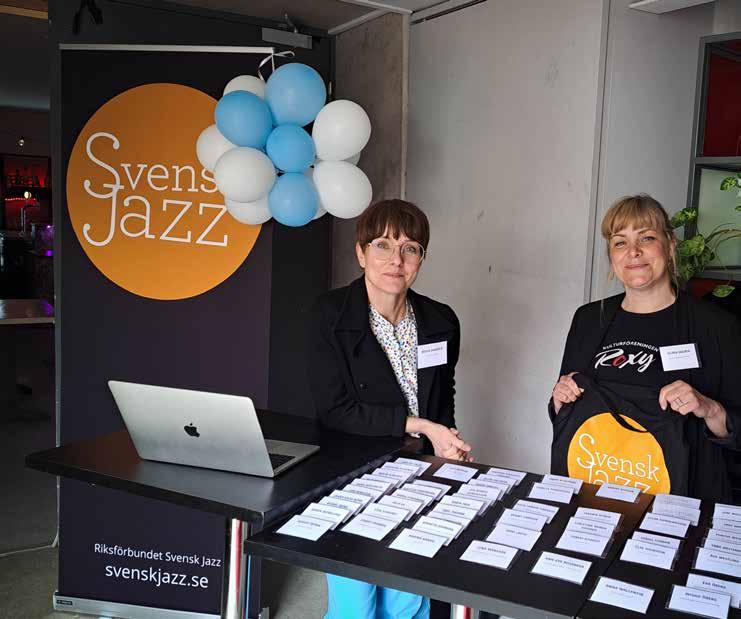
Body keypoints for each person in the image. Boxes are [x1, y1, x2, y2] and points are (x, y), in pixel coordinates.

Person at [306, 198, 471, 619]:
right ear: (361, 253)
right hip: (350, 475)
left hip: (418, 474)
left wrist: (446, 446)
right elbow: (335, 410)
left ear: (420, 259)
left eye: (409, 248)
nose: (396, 260)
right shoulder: (329, 315)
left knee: (406, 603)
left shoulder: (441, 320)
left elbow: (443, 395)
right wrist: (422, 426)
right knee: (356, 608)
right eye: (382, 245)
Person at [550, 194, 741, 501]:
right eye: (620, 242)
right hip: (597, 493)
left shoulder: (717, 326)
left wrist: (708, 408)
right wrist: (560, 398)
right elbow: (568, 411)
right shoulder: (589, 319)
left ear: (670, 245)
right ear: (611, 255)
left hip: (685, 501)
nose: (633, 252)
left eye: (647, 238)